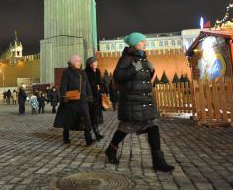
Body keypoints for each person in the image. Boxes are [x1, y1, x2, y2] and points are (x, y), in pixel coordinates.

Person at [104, 32, 174, 172]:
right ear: (135, 44)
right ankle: (111, 150)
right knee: (124, 128)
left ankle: (158, 161)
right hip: (132, 102)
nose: (145, 43)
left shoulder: (143, 58)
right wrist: (133, 69)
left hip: (145, 101)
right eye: (142, 41)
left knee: (153, 126)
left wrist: (151, 71)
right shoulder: (126, 58)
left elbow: (144, 79)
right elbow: (118, 76)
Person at [53, 55, 94, 146]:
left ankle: (88, 138)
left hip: (82, 99)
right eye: (77, 61)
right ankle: (66, 137)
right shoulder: (67, 72)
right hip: (71, 100)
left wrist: (90, 95)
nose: (79, 63)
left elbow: (87, 85)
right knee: (68, 119)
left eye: (80, 61)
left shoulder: (83, 73)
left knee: (86, 119)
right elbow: (63, 85)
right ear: (72, 63)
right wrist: (64, 96)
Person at [84, 57, 104, 141]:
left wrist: (101, 88)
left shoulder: (98, 71)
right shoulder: (85, 72)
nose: (96, 64)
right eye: (94, 63)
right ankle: (88, 136)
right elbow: (86, 85)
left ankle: (97, 133)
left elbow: (100, 82)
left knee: (94, 116)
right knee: (87, 117)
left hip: (97, 97)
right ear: (90, 64)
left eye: (96, 63)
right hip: (89, 97)